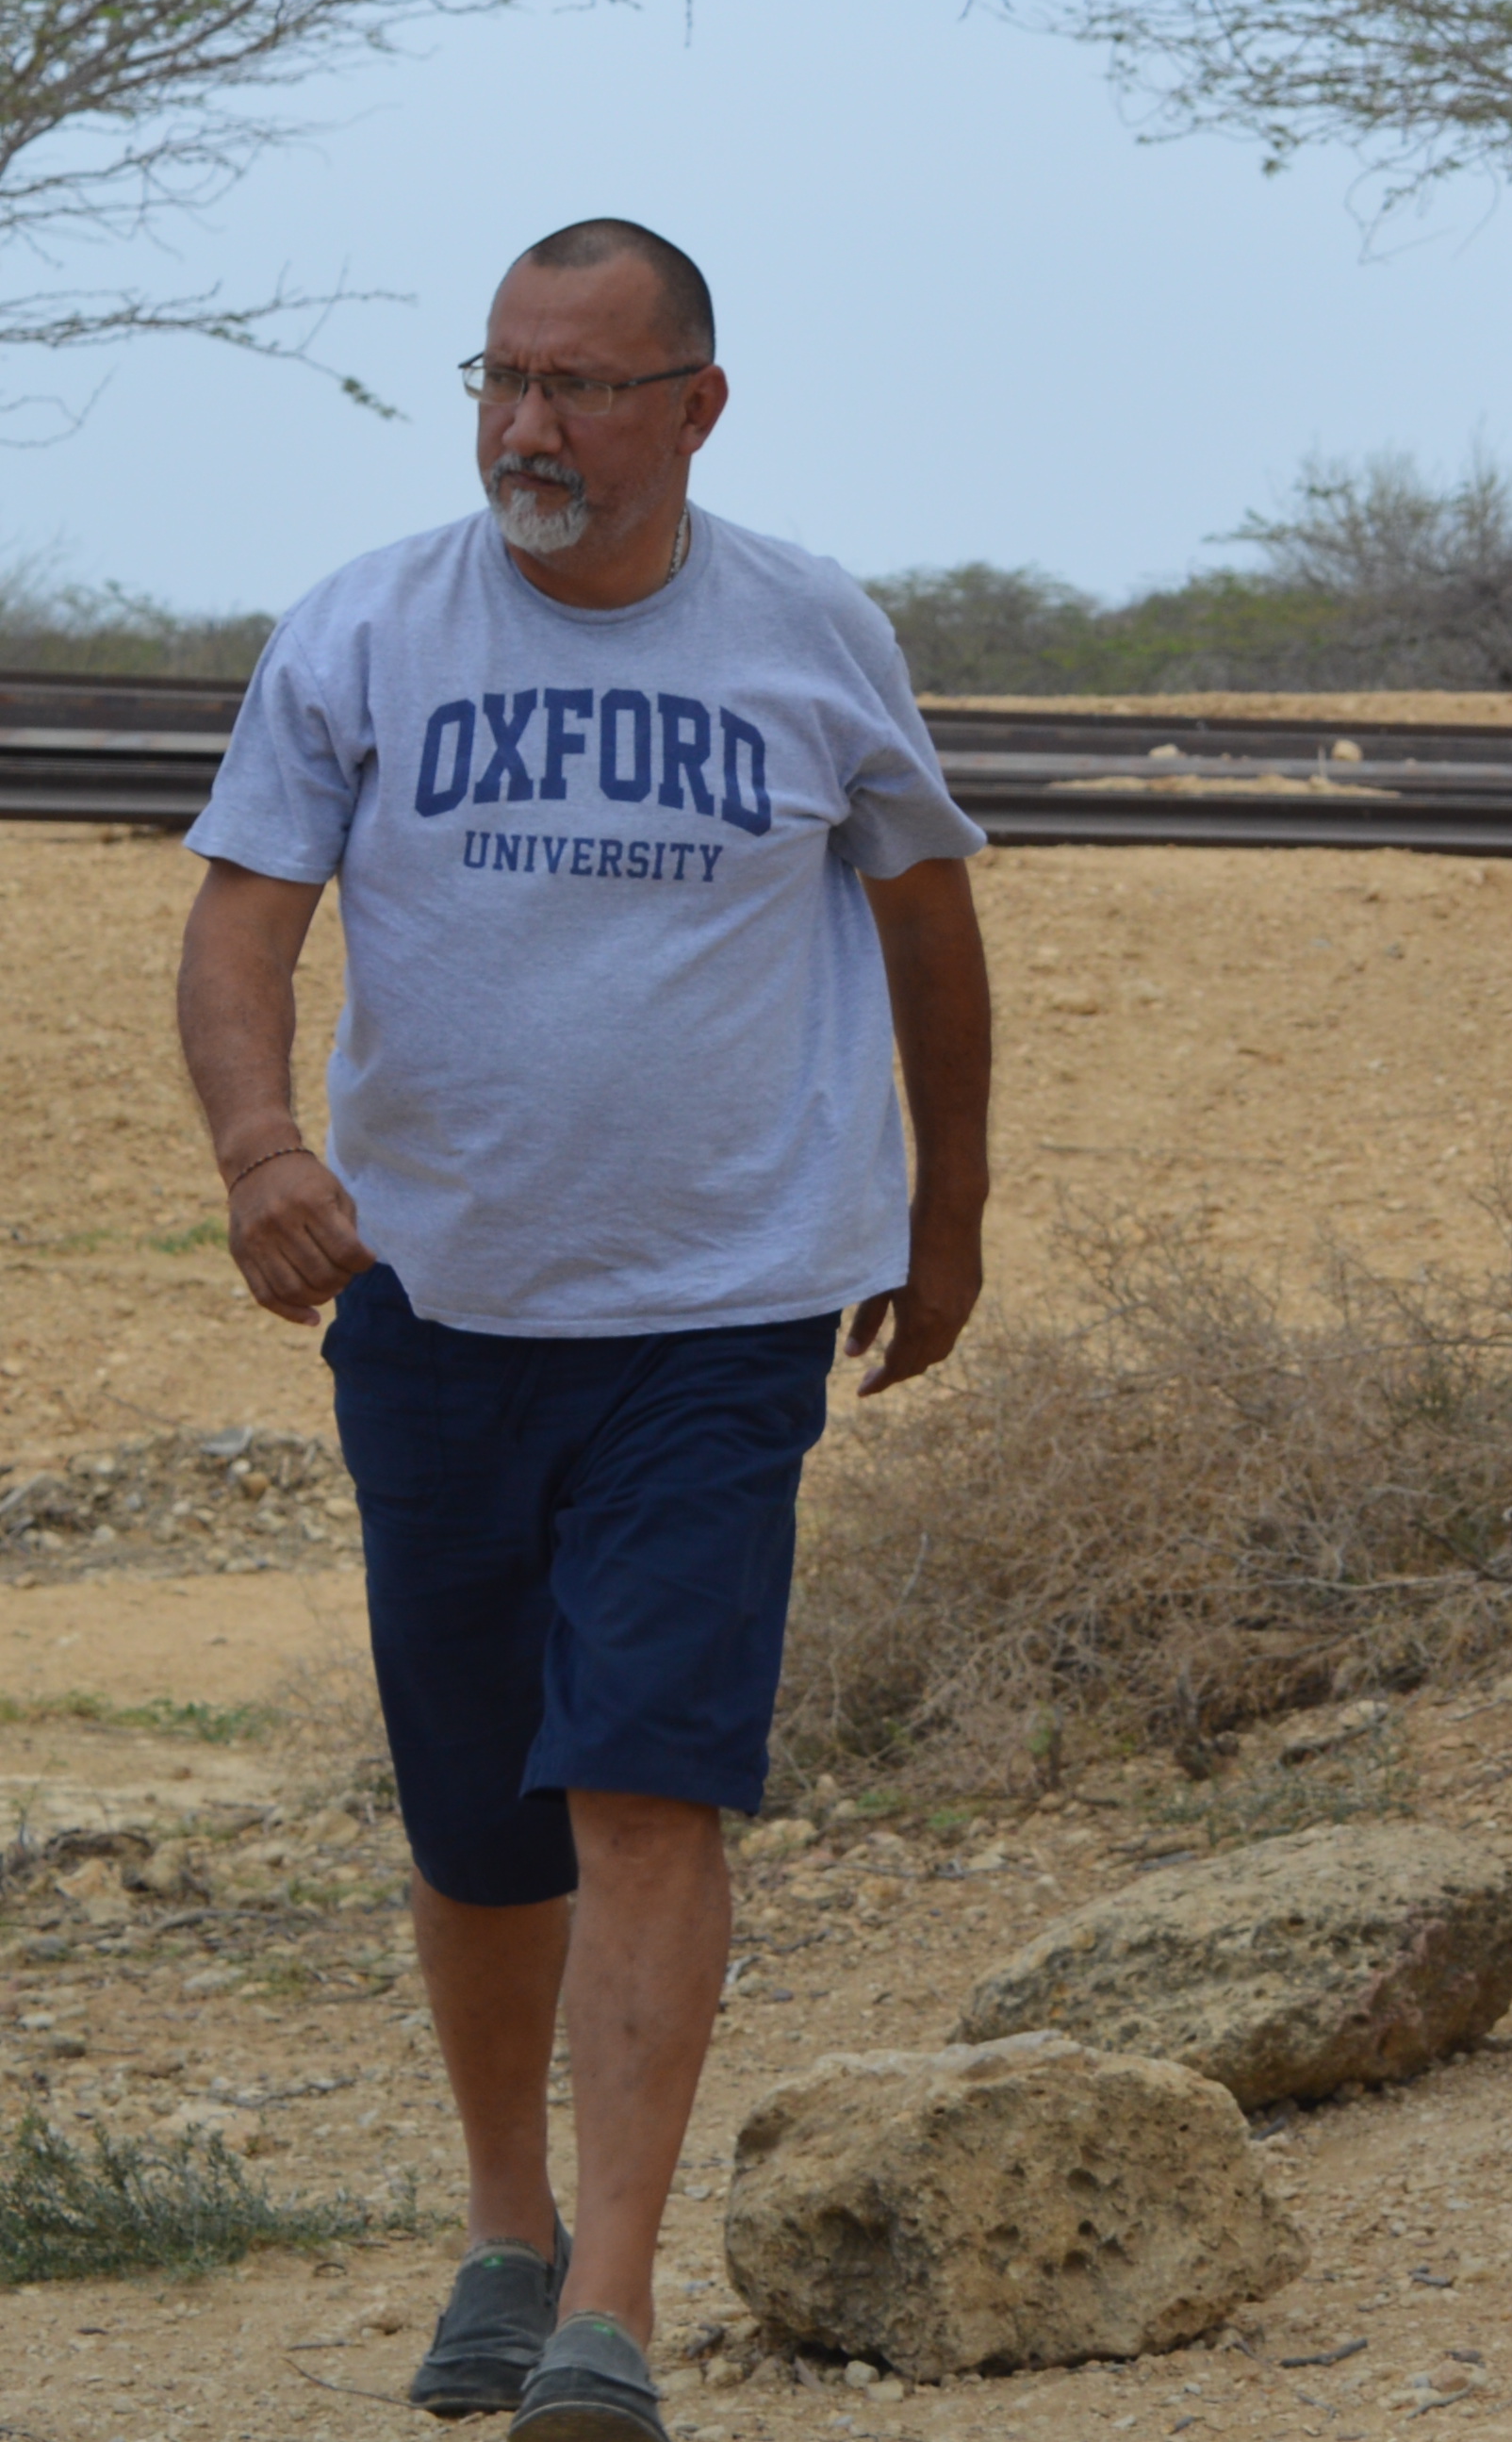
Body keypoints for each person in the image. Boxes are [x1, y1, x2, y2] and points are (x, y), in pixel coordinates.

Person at [173, 220, 990, 2442]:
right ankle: (503, 2224)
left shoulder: (813, 630)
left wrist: (949, 1211)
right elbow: (240, 926)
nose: (530, 426)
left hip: (723, 1301)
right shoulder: (363, 625)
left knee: (646, 1771)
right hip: (433, 1299)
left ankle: (607, 2310)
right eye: (503, 379)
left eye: (582, 387)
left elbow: (930, 921)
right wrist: (261, 1148)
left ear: (693, 408)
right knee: (474, 1811)